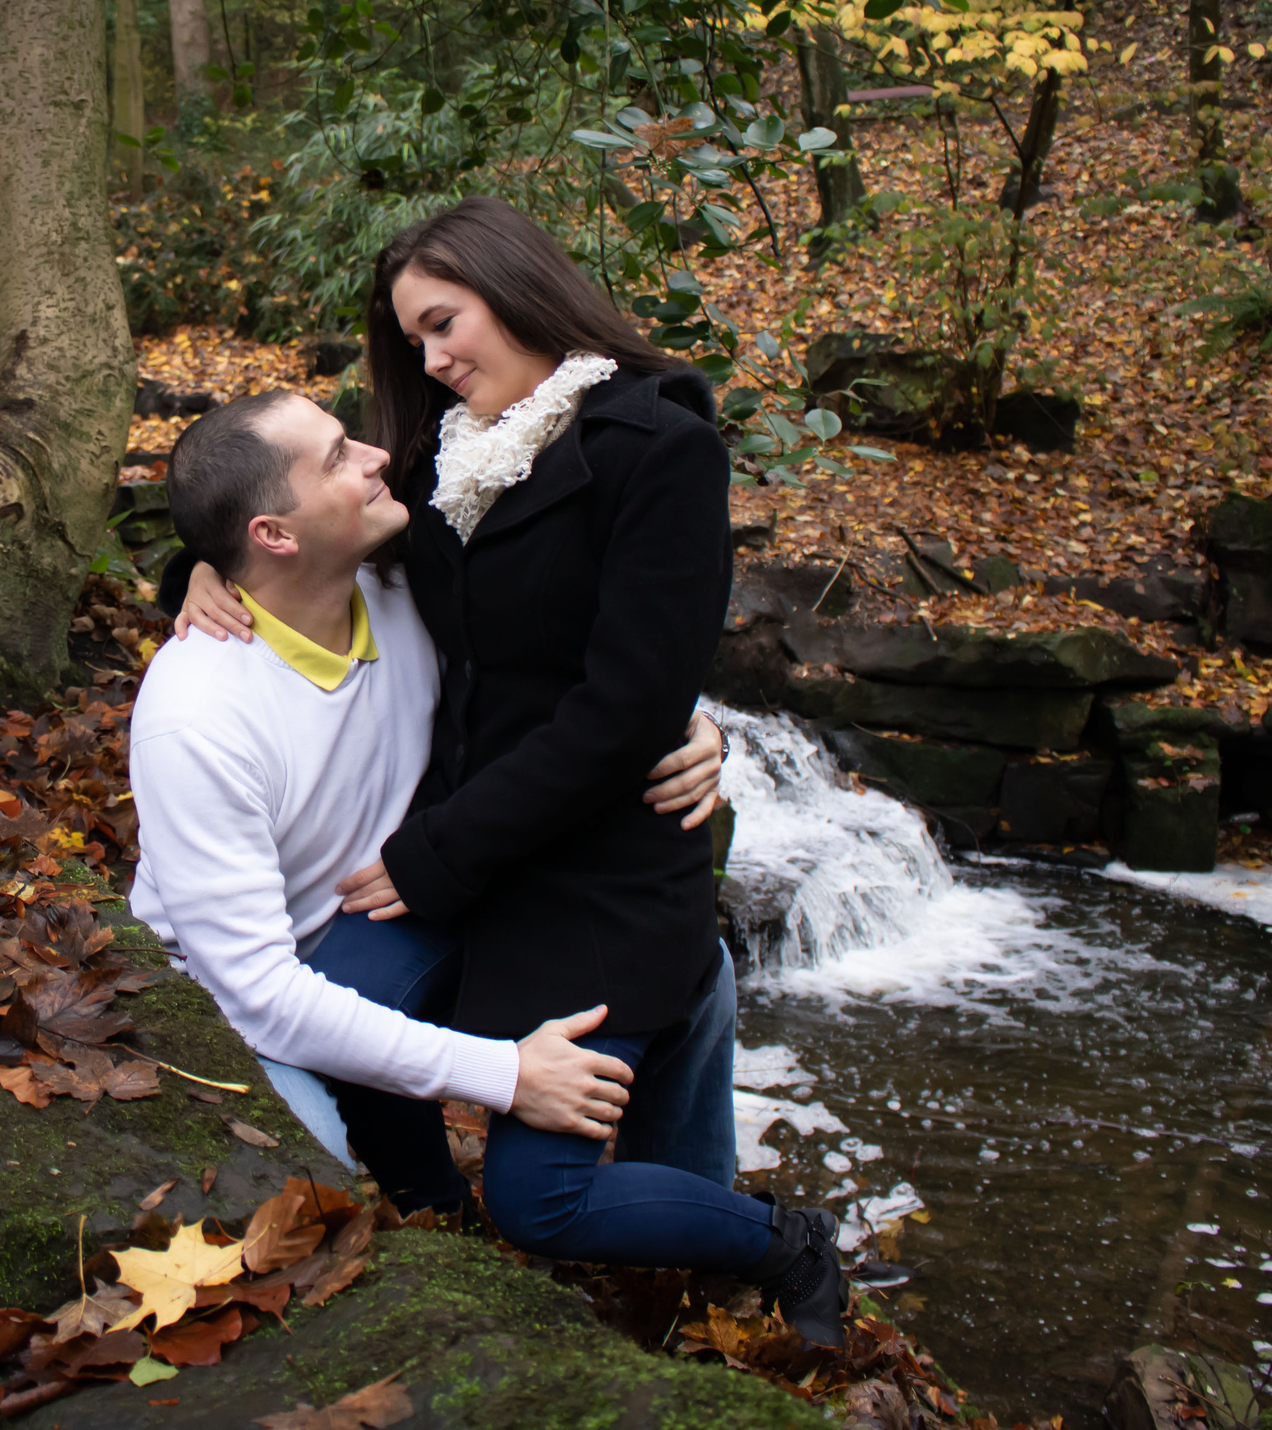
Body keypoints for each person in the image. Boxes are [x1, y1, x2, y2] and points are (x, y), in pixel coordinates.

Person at [170, 196, 847, 1344]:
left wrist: (438, 855)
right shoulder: (447, 457)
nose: (432, 362)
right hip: (465, 851)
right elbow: (285, 524)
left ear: (517, 288)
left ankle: (786, 1242)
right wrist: (197, 573)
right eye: (415, 343)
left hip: (589, 866)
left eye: (444, 325)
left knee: (545, 1198)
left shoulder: (657, 448)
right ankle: (437, 1224)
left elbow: (626, 706)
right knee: (336, 1023)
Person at [129, 389, 724, 1184]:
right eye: (339, 457)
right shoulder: (195, 717)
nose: (379, 455)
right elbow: (262, 995)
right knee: (314, 1167)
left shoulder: (407, 597)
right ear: (272, 534)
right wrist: (506, 1073)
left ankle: (686, 1220)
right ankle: (431, 1210)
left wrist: (683, 719)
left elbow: (585, 664)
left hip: (388, 915)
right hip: (228, 995)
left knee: (691, 959)